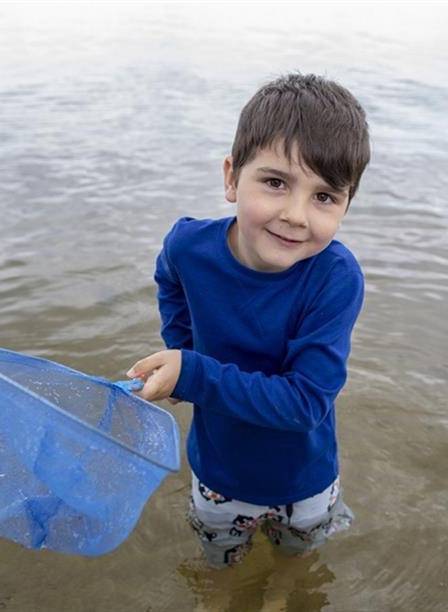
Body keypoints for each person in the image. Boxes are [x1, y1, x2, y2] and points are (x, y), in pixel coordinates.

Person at [127, 73, 370, 568]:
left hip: (304, 478)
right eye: (276, 183)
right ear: (232, 177)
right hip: (219, 472)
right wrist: (184, 348)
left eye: (324, 196)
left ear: (346, 205)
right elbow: (169, 277)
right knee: (219, 560)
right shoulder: (188, 246)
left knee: (296, 560)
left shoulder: (335, 278)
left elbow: (305, 402)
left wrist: (194, 373)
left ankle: (282, 595)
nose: (297, 215)